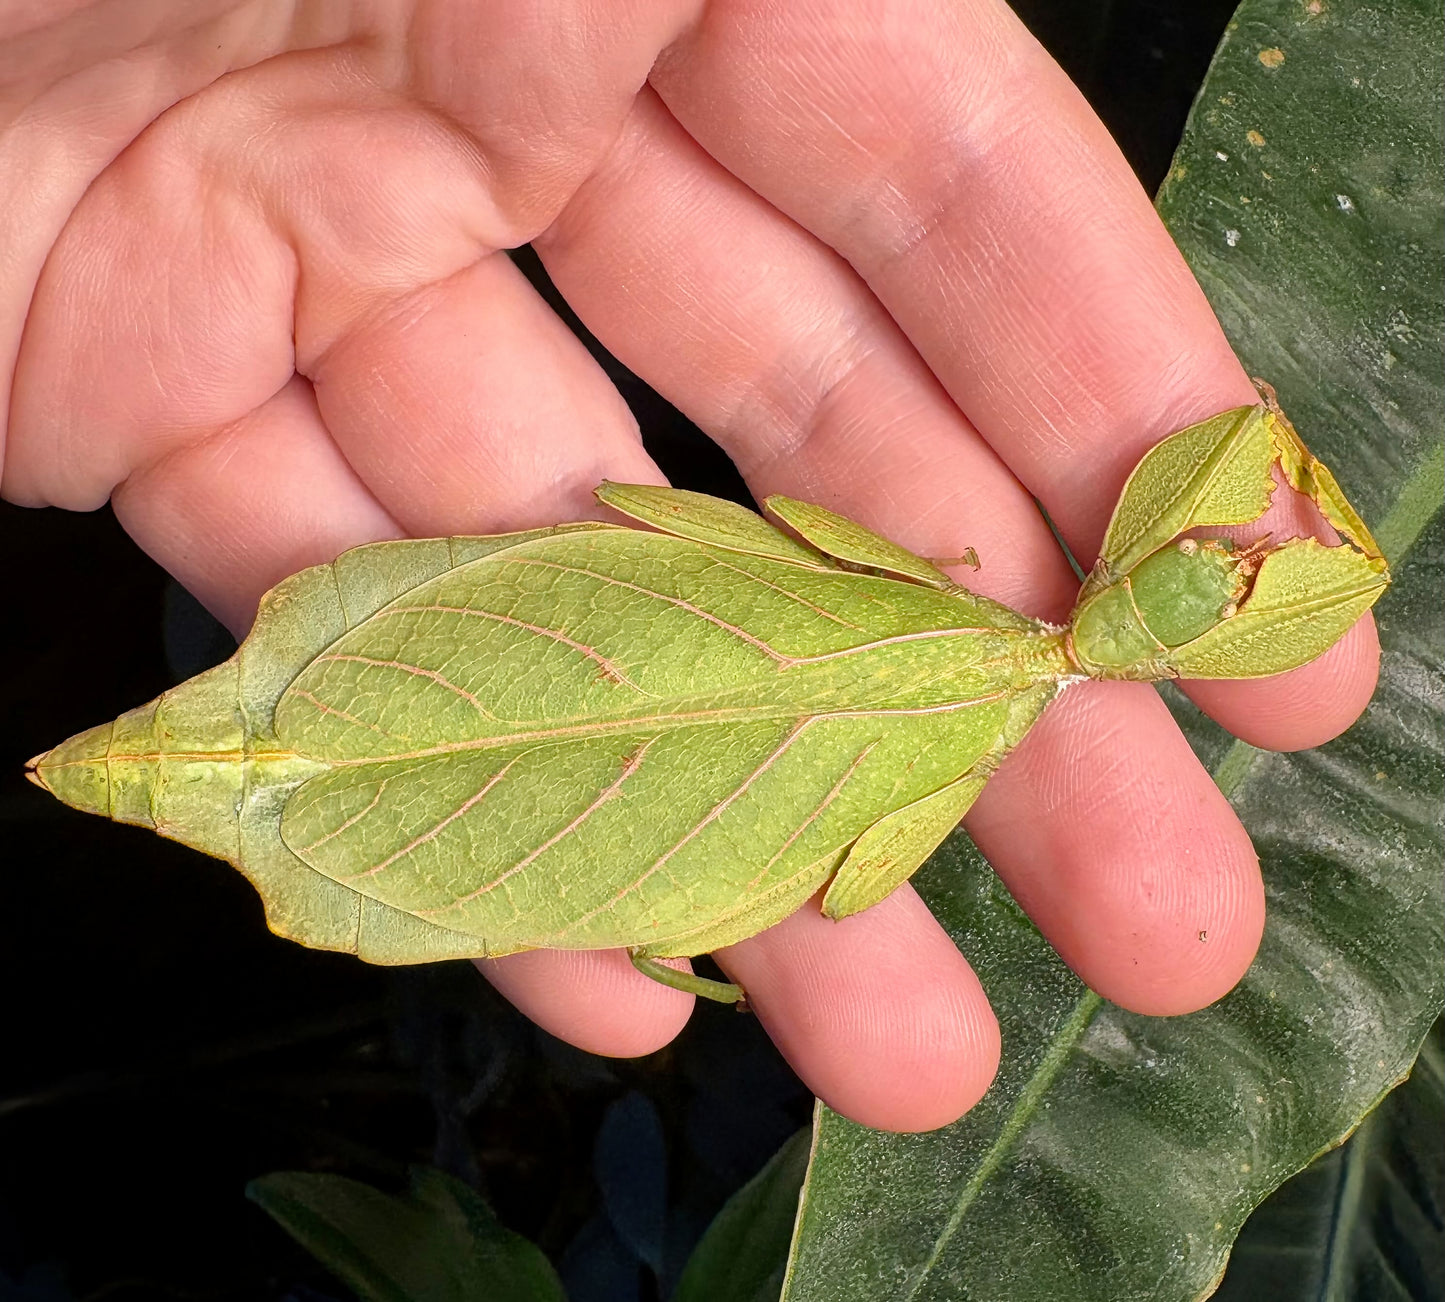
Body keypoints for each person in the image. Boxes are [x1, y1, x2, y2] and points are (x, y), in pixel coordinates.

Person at [0, 0, 1378, 1133]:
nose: (1222, 554)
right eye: (1227, 557)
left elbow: (765, 560)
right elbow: (837, 877)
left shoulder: (946, 618)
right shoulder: (955, 721)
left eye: (1220, 562)